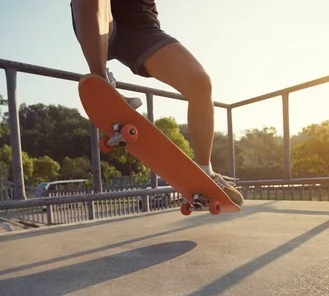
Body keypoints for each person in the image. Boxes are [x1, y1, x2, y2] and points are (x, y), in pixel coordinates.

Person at [70, 0, 244, 206]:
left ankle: (204, 171)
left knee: (200, 84)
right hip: (100, 15)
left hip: (142, 26)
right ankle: (100, 81)